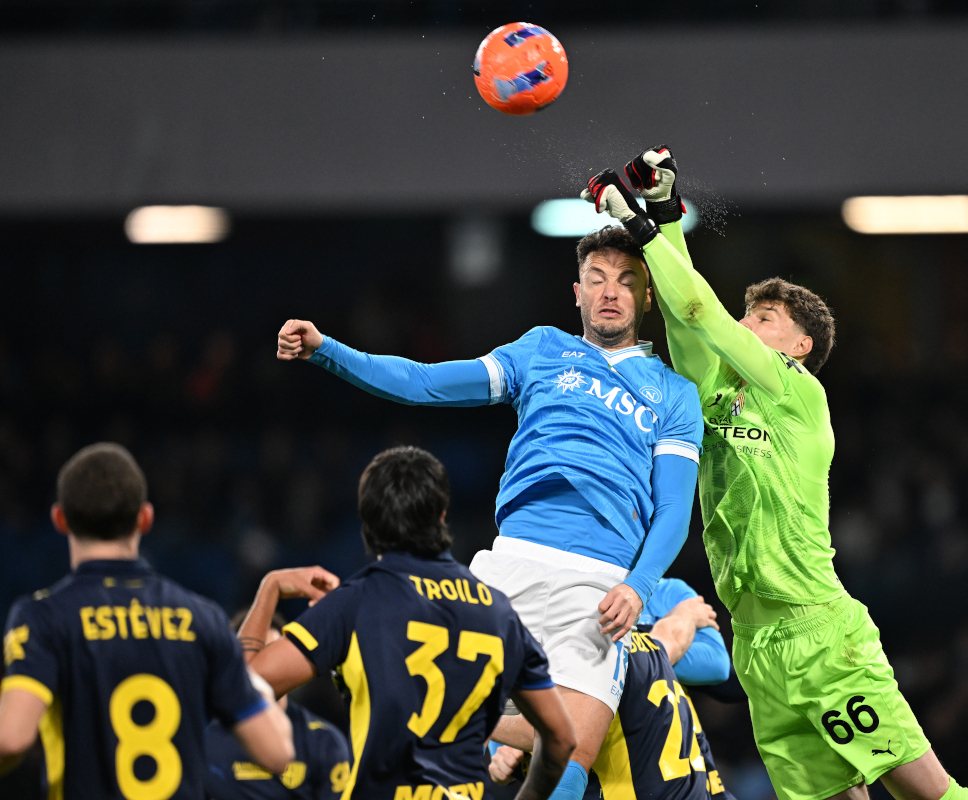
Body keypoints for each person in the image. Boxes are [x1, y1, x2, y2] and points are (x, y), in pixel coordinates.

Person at [582, 149, 968, 800]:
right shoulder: (717, 399)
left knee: (929, 794)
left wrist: (642, 230)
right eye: (747, 316)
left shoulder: (797, 393)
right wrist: (663, 216)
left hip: (818, 634)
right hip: (757, 650)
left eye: (764, 319)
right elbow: (691, 332)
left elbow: (698, 315)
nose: (744, 326)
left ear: (800, 345)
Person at [275, 227, 704, 800]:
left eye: (627, 282)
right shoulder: (542, 350)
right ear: (576, 291)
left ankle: (508, 739)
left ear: (648, 299)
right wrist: (328, 350)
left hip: (602, 583)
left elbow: (675, 506)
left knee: (573, 751)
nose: (611, 292)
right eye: (598, 279)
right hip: (513, 563)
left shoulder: (675, 394)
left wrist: (639, 586)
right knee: (428, 710)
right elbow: (426, 383)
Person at [238, 445, 578, 800]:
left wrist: (270, 588)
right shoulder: (497, 611)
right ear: (442, 516)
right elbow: (561, 737)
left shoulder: (357, 601)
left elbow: (246, 686)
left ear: (367, 522)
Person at [0, 443, 293, 800]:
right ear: (145, 518)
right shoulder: (202, 618)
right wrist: (251, 680)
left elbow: (11, 739)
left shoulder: (43, 617)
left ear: (60, 519)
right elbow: (278, 753)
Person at [489, 578, 735, 800]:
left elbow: (716, 666)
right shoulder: (638, 647)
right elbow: (666, 645)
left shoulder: (590, 655)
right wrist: (680, 620)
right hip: (694, 787)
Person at [204, 611, 351, 800]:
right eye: (252, 658)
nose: (262, 669)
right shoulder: (202, 738)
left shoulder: (324, 742)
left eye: (270, 655)